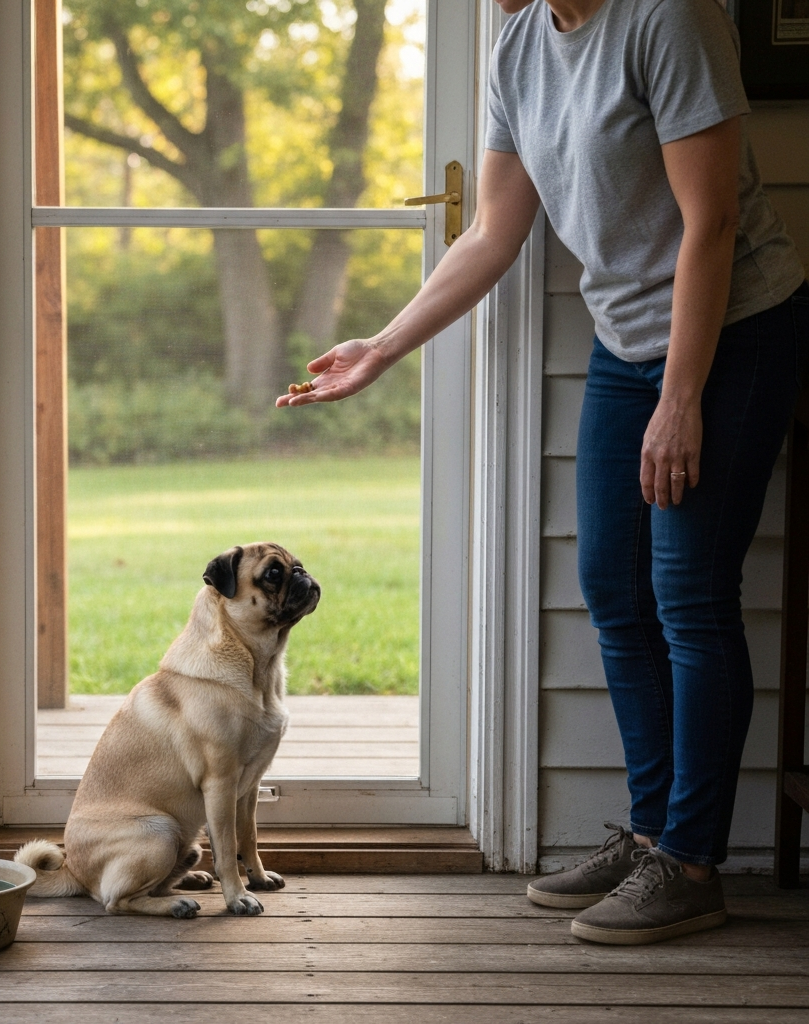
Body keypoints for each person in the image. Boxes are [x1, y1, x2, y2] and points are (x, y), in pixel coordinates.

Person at [277, 0, 808, 945]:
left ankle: (690, 863)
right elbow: (492, 232)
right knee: (612, 584)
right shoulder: (519, 48)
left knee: (688, 592)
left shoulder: (668, 20)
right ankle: (652, 835)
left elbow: (713, 222)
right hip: (624, 342)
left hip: (734, 333)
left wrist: (681, 398)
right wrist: (383, 349)